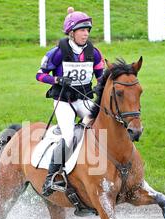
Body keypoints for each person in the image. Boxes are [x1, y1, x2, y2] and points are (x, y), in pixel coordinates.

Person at [36, 7, 105, 197]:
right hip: (64, 102)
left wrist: (99, 88)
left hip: (83, 99)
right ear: (71, 32)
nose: (86, 34)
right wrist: (57, 80)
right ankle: (51, 177)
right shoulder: (57, 52)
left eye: (88, 30)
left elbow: (101, 78)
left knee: (103, 126)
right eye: (82, 30)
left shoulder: (95, 53)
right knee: (68, 138)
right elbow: (39, 75)